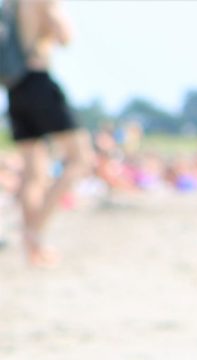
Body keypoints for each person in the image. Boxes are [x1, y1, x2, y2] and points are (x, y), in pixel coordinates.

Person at [3, 0, 90, 266]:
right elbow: (65, 37)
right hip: (38, 80)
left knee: (33, 173)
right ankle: (35, 233)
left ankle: (32, 250)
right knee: (81, 159)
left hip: (16, 88)